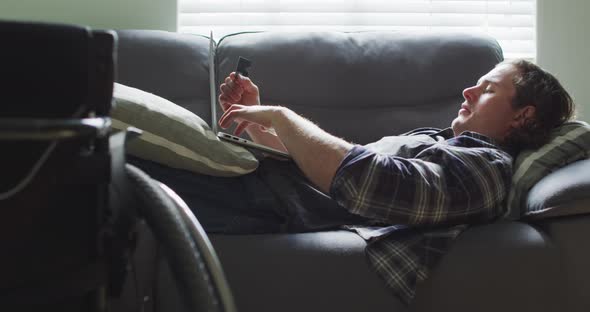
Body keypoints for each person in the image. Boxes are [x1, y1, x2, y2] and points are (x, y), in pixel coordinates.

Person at [129, 59, 575, 304]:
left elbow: (369, 184)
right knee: (112, 154)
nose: (467, 92)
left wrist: (284, 118)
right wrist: (264, 129)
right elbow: (329, 170)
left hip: (266, 200)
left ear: (524, 115)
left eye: (488, 88)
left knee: (114, 160)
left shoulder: (485, 165)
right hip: (268, 183)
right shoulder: (435, 139)